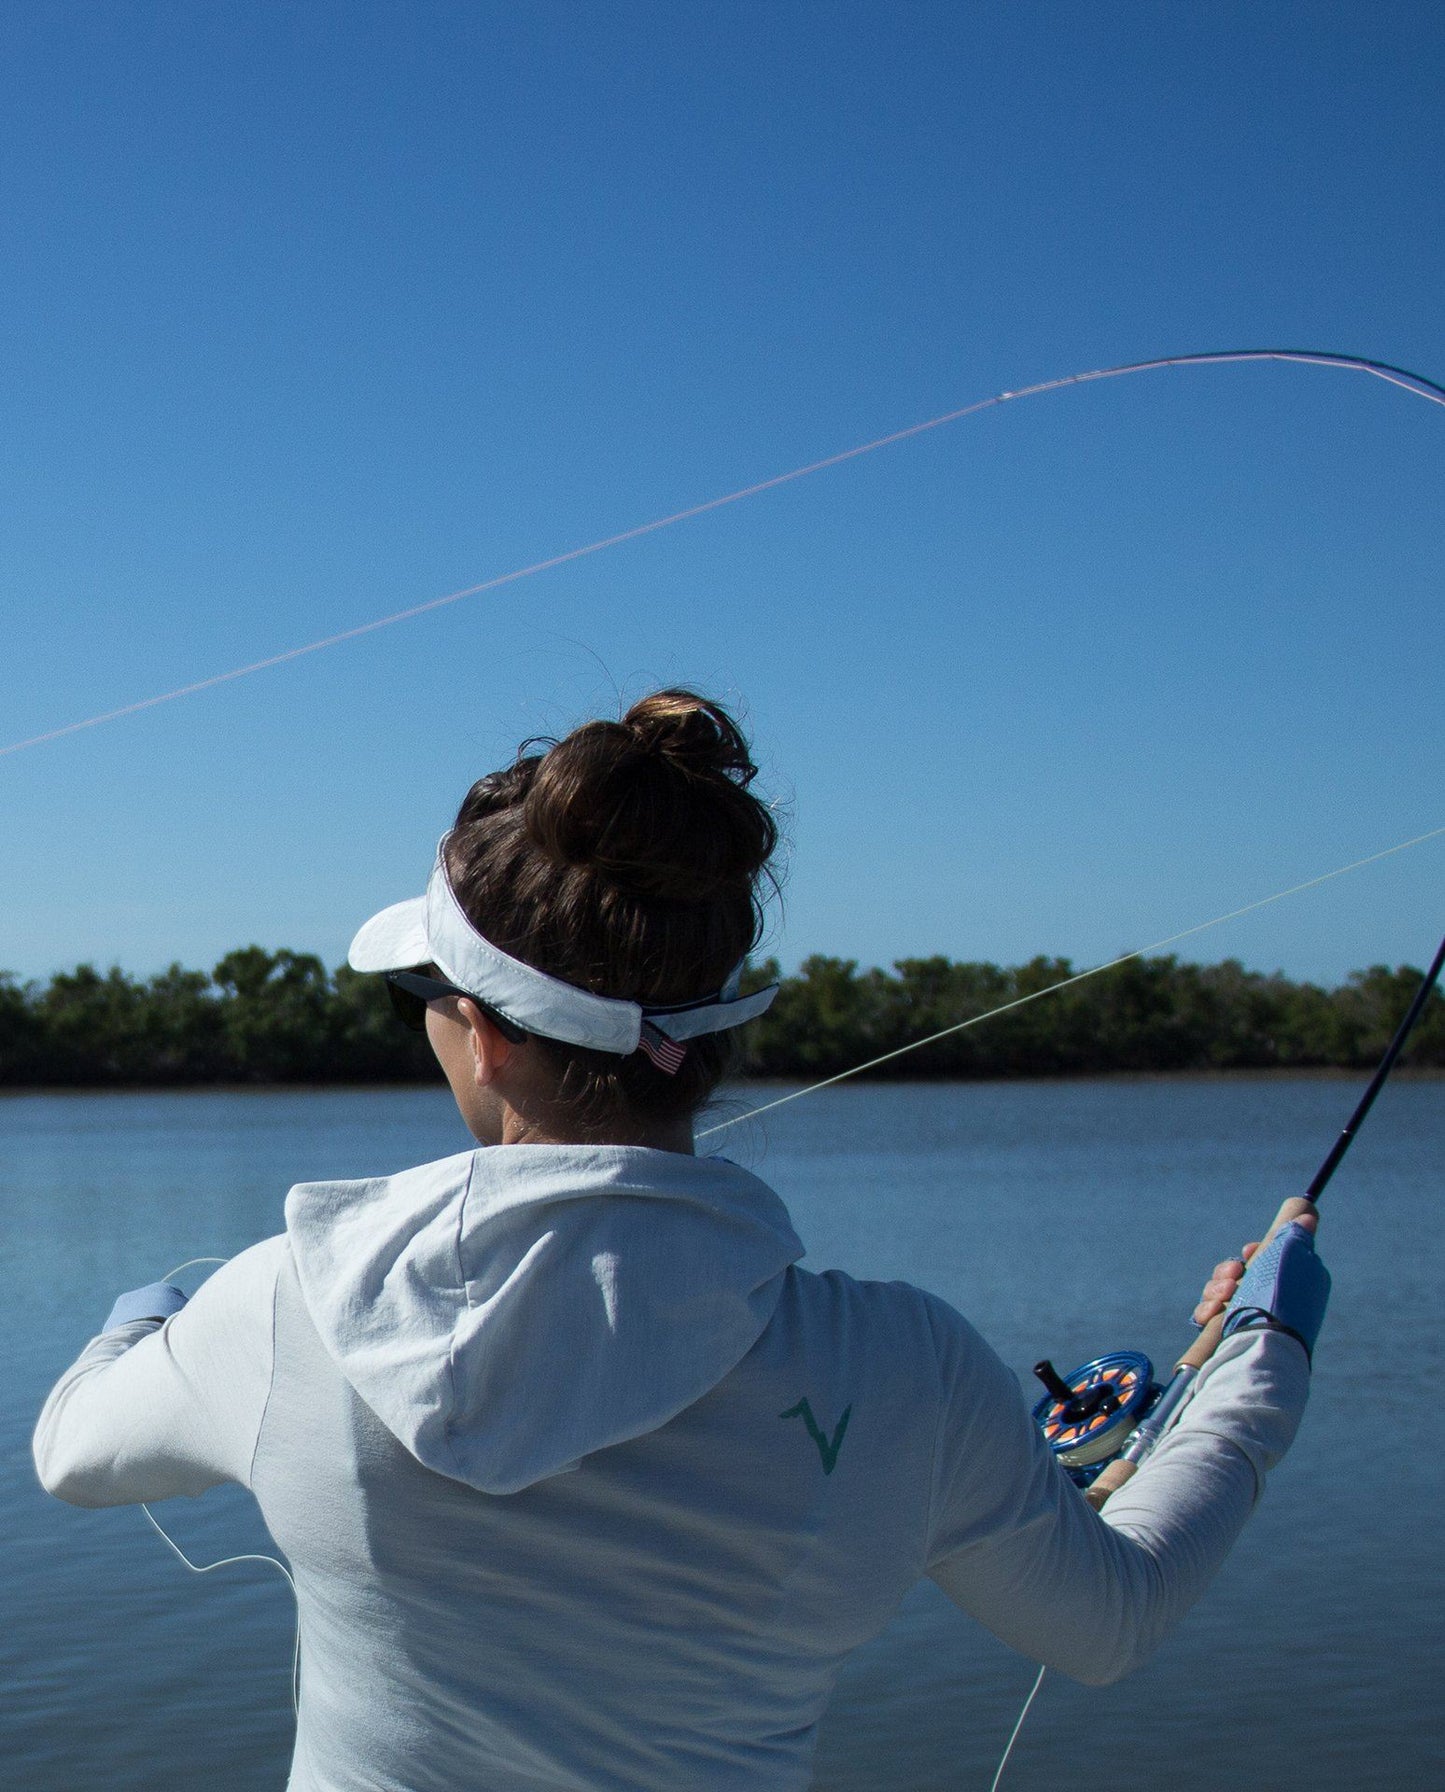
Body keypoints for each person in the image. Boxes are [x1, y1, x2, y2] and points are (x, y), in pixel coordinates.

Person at [34, 689, 1328, 1792]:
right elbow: (1107, 1621)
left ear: (482, 1031)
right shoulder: (905, 1364)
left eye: (426, 993)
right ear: (715, 1036)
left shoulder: (281, 1310)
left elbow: (72, 1456)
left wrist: (138, 1325)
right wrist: (1256, 1361)